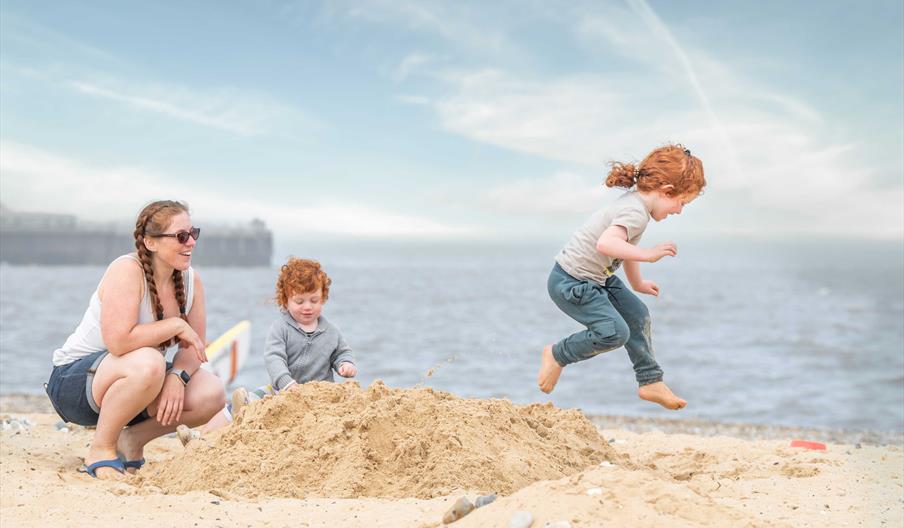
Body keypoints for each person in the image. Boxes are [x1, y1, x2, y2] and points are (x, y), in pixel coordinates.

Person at [45, 200, 226, 479]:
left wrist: (178, 377)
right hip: (75, 385)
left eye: (193, 233)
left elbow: (195, 349)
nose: (190, 242)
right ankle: (101, 448)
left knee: (211, 392)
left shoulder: (191, 281)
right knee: (151, 361)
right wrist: (175, 324)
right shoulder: (127, 270)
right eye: (181, 236)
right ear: (150, 242)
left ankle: (132, 441)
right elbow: (119, 342)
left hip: (134, 383)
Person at [537, 144, 706, 410]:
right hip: (571, 282)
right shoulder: (635, 212)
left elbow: (624, 250)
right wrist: (649, 254)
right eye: (681, 203)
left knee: (638, 315)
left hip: (597, 278)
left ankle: (650, 380)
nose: (679, 211)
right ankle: (557, 354)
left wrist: (637, 283)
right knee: (615, 333)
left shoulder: (637, 206)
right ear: (666, 191)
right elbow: (607, 244)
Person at [177, 257, 356, 444]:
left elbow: (342, 352)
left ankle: (243, 412)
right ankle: (202, 437)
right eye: (299, 301)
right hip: (281, 390)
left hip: (319, 396)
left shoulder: (331, 331)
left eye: (314, 300)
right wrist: (286, 382)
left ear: (323, 298)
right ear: (285, 301)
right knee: (236, 407)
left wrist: (345, 364)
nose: (307, 307)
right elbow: (274, 357)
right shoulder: (281, 329)